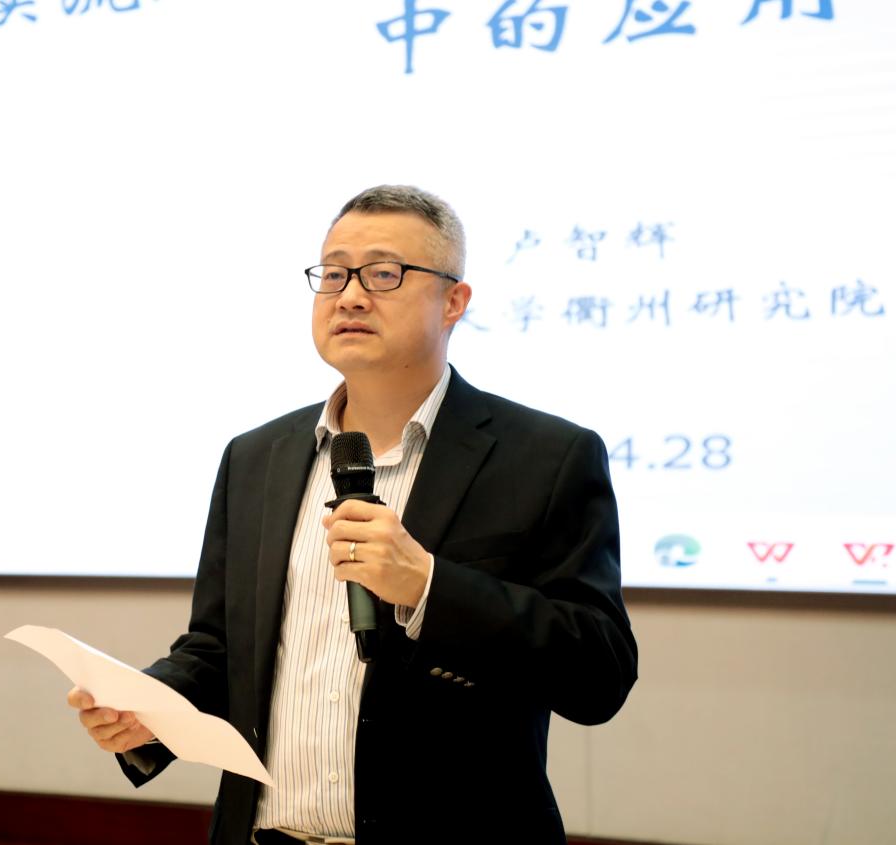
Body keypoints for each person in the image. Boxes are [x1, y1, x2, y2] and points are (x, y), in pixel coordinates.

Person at [68, 185, 637, 845]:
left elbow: (598, 674)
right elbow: (220, 648)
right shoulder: (256, 457)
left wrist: (428, 586)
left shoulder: (545, 456)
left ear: (454, 301)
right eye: (334, 274)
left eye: (384, 273)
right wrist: (151, 707)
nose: (351, 296)